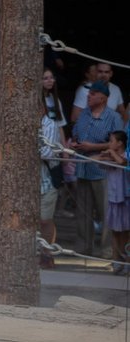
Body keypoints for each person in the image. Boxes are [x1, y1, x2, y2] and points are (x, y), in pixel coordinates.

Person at [71, 81, 124, 256]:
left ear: (103, 97)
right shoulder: (84, 114)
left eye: (93, 94)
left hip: (102, 170)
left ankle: (107, 248)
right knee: (83, 211)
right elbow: (76, 133)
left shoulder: (113, 117)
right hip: (82, 168)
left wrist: (92, 147)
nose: (89, 96)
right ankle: (83, 245)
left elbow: (117, 144)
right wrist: (75, 144)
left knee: (105, 211)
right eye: (89, 93)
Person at [98, 131, 129, 273]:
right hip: (113, 198)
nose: (109, 144)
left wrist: (111, 152)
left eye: (111, 141)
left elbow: (122, 162)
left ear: (120, 143)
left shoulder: (126, 155)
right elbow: (96, 160)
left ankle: (127, 261)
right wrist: (105, 154)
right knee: (115, 231)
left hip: (125, 199)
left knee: (126, 232)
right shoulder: (111, 156)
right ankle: (116, 261)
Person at [39, 94, 65, 268]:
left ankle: (46, 253)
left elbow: (48, 153)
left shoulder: (50, 124)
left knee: (45, 220)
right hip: (28, 183)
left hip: (46, 180)